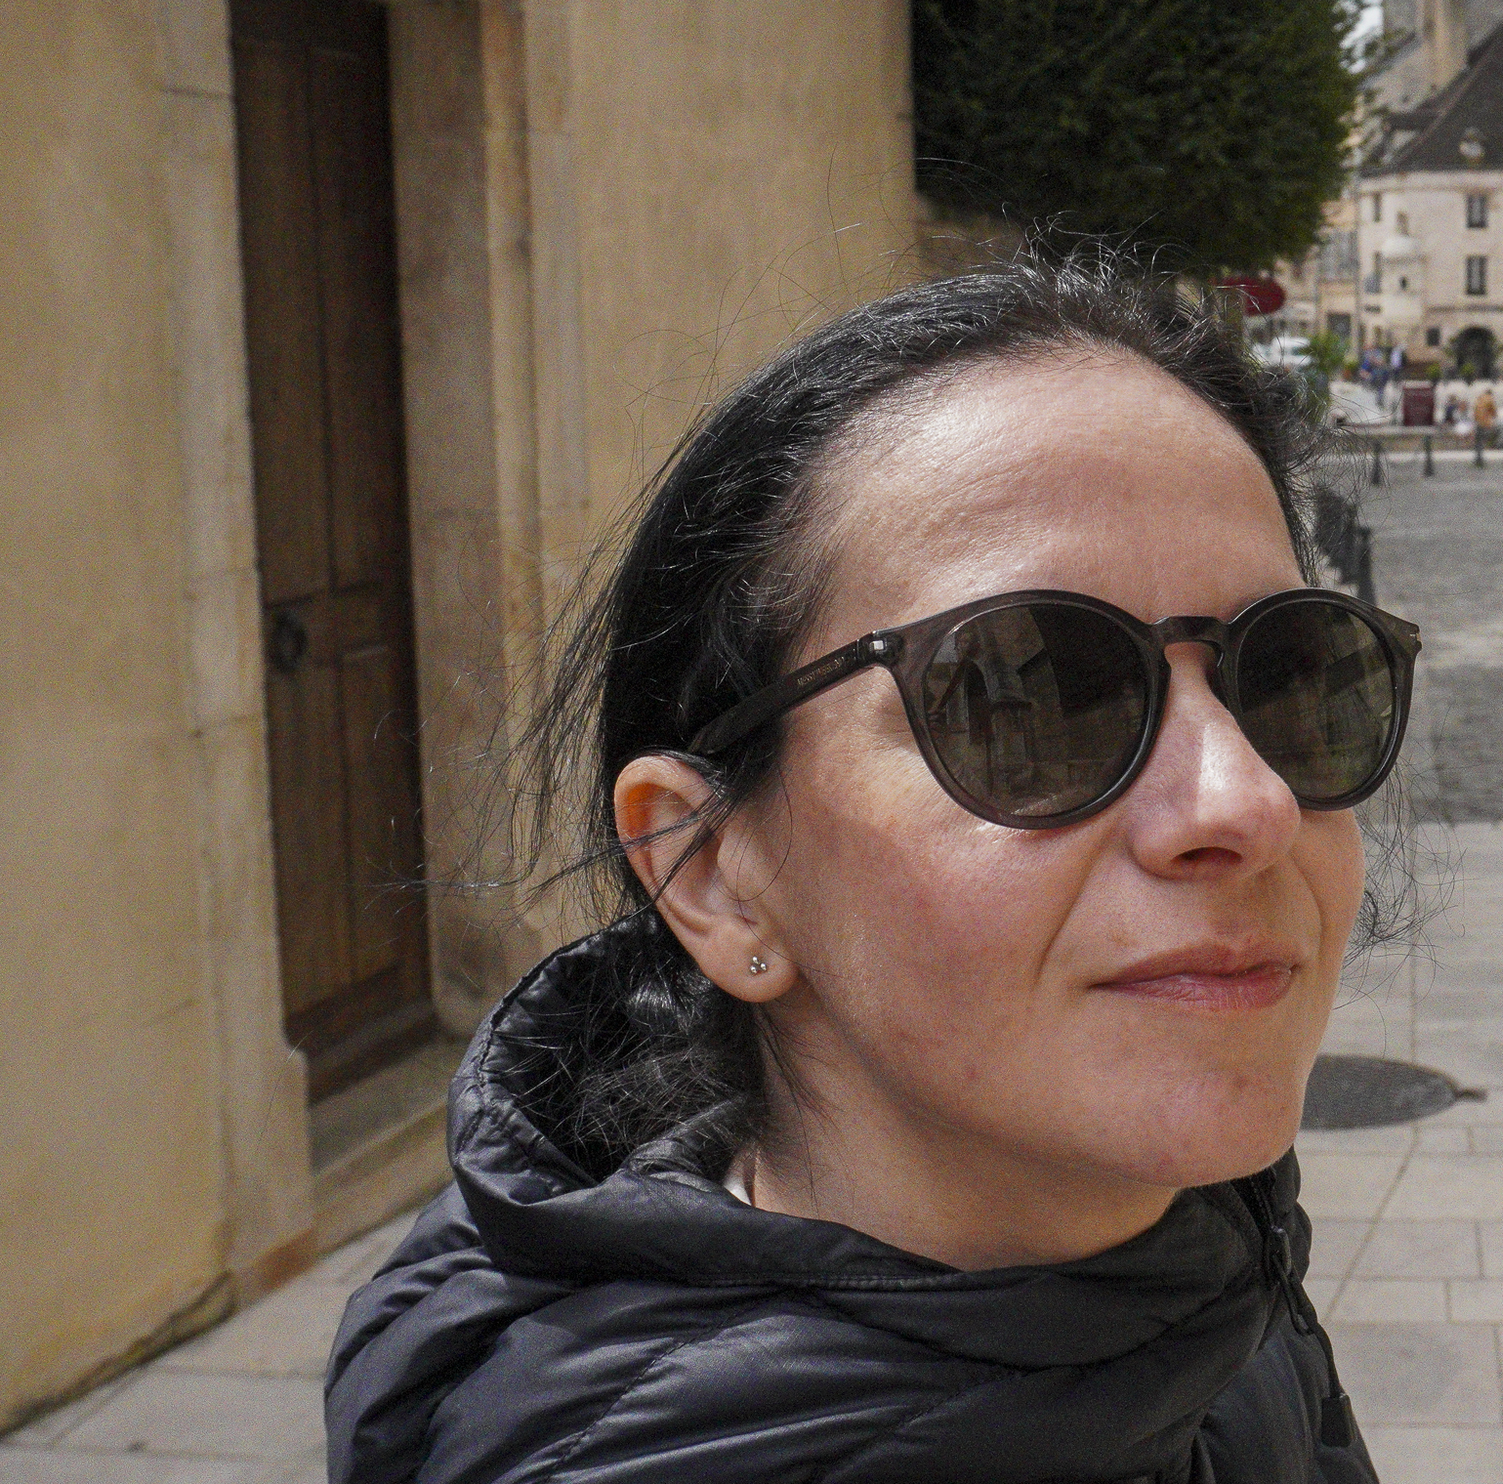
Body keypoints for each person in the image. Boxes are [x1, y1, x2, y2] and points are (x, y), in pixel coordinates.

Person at [325, 257, 1416, 1482]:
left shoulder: (1215, 1271)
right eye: (1032, 694)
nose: (1248, 799)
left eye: (1288, 672)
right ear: (711, 873)